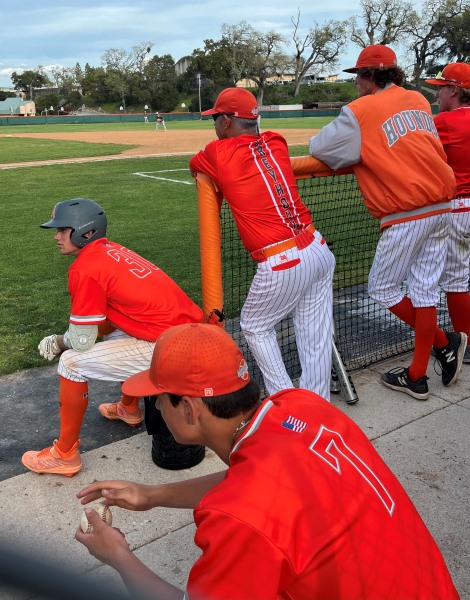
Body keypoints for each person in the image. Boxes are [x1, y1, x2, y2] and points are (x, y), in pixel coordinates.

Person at [75, 322, 459, 600]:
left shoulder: (237, 517)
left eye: (160, 396)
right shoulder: (300, 406)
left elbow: (246, 505)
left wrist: (120, 557)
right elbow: (257, 484)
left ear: (190, 410)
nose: (156, 404)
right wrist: (150, 495)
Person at [309, 44, 467, 401]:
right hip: (444, 204)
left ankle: (446, 341)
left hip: (407, 210)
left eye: (358, 77)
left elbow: (319, 148)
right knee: (425, 290)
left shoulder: (360, 109)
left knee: (383, 288)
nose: (357, 85)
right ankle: (417, 375)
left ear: (368, 77)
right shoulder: (417, 100)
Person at [22, 198, 203, 477]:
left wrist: (58, 342)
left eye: (62, 230)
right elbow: (104, 324)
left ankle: (65, 455)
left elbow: (82, 341)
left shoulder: (86, 268)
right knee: (116, 333)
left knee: (70, 362)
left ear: (86, 231)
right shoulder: (109, 249)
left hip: (173, 347)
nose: (56, 236)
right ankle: (128, 408)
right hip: (192, 335)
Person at [189, 87, 335, 399]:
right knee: (315, 336)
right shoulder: (277, 142)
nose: (213, 125)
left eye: (216, 118)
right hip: (319, 250)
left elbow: (195, 165)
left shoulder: (218, 153)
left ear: (227, 121)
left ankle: (286, 401)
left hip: (283, 260)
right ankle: (317, 405)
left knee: (254, 326)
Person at [425, 62, 470, 365]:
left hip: (459, 207)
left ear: (454, 89)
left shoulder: (444, 122)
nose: (437, 92)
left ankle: (464, 342)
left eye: (441, 87)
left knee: (456, 279)